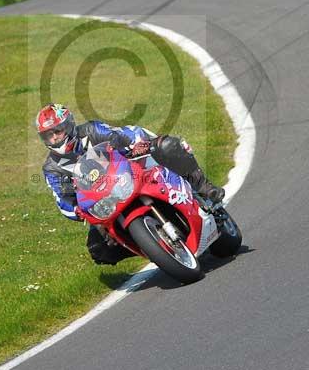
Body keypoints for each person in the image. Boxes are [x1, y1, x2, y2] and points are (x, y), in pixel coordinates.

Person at [36, 103, 225, 265]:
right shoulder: (52, 168)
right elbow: (62, 199)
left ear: (69, 126)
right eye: (48, 136)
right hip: (104, 201)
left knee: (166, 146)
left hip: (131, 171)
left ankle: (203, 187)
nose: (54, 139)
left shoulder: (91, 130)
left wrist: (135, 145)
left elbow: (120, 135)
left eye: (57, 132)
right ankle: (150, 246)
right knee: (98, 249)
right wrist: (75, 210)